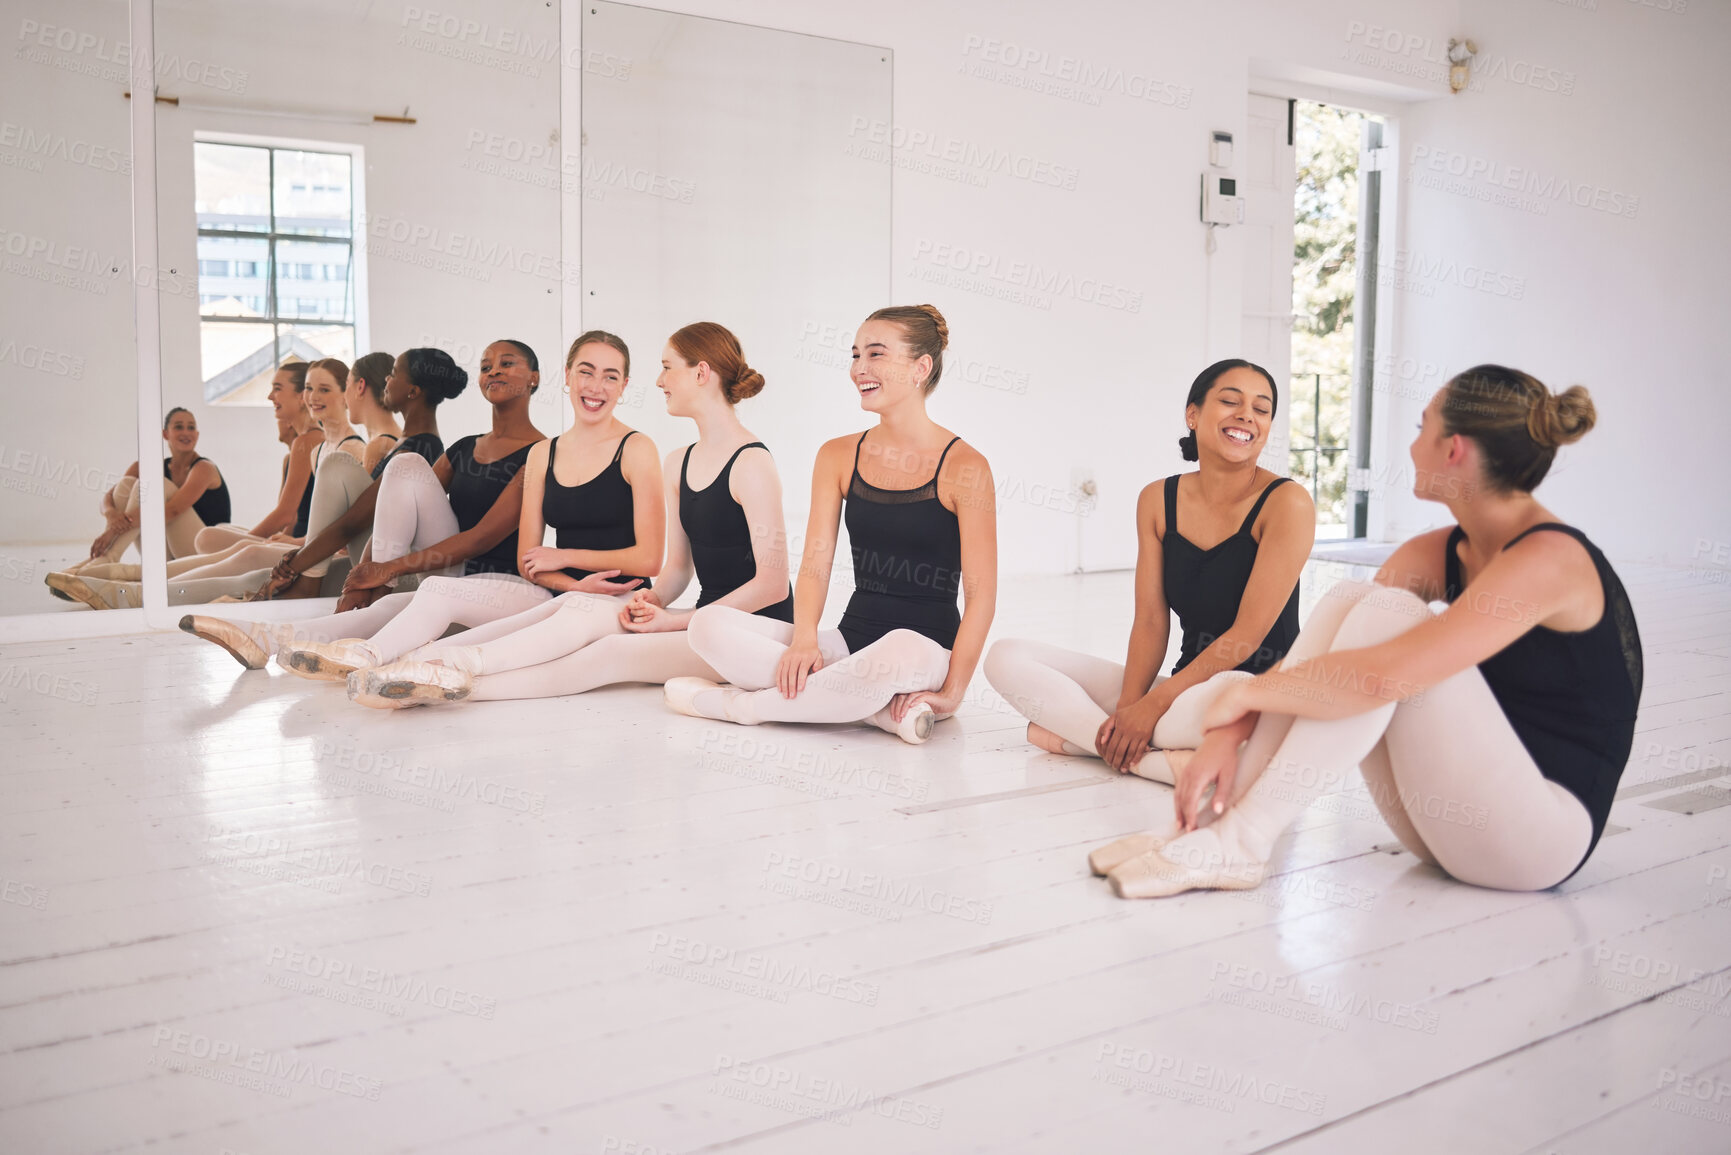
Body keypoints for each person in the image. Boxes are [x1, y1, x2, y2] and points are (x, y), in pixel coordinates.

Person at [1098, 365, 1642, 899]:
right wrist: (1228, 731)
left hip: (1537, 841)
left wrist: (1243, 693)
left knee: (1385, 618)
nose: (1411, 447)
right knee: (1353, 601)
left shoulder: (1551, 558)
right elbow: (1334, 659)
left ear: (1452, 449)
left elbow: (1382, 675)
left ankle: (1245, 837)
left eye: (1421, 427)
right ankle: (1213, 825)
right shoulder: (1435, 553)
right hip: (1444, 824)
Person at [344, 323, 793, 707]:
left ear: (700, 372)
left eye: (667, 366)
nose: (660, 380)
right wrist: (652, 603)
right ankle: (418, 670)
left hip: (753, 629)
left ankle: (454, 678)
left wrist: (676, 619)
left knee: (606, 656)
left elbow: (772, 584)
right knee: (587, 631)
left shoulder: (752, 462)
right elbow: (675, 571)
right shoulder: (678, 462)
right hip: (703, 619)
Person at [664, 304, 996, 745]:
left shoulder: (967, 466)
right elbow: (816, 564)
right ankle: (874, 710)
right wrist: (805, 641)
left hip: (922, 652)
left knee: (898, 649)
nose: (860, 368)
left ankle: (741, 708)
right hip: (848, 642)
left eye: (875, 354)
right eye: (855, 355)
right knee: (707, 625)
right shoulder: (837, 455)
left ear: (921, 368)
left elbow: (982, 596)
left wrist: (953, 691)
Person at [984, 359, 1313, 781]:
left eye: (1261, 409)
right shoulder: (1158, 499)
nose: (1246, 415)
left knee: (1223, 702)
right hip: (1186, 694)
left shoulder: (1288, 502)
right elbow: (1151, 620)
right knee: (1006, 656)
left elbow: (1246, 637)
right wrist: (1130, 708)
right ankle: (1164, 761)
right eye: (1230, 401)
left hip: (1253, 696)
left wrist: (1151, 708)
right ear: (1193, 414)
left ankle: (1084, 740)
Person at [179, 340, 547, 669]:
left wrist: (388, 571)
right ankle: (262, 637)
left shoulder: (542, 453)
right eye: (486, 366)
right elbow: (396, 502)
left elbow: (481, 538)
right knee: (406, 465)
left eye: (507, 363)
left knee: (389, 606)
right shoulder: (464, 447)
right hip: (448, 574)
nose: (494, 370)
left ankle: (285, 638)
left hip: (497, 582)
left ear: (533, 378)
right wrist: (367, 571)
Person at [57, 350, 462, 609]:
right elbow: (355, 522)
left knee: (254, 558)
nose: (386, 381)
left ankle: (127, 586)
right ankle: (128, 592)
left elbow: (355, 521)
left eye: (394, 375)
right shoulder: (407, 444)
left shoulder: (418, 449)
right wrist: (296, 558)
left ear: (413, 391)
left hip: (387, 574)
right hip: (361, 560)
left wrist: (298, 559)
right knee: (251, 574)